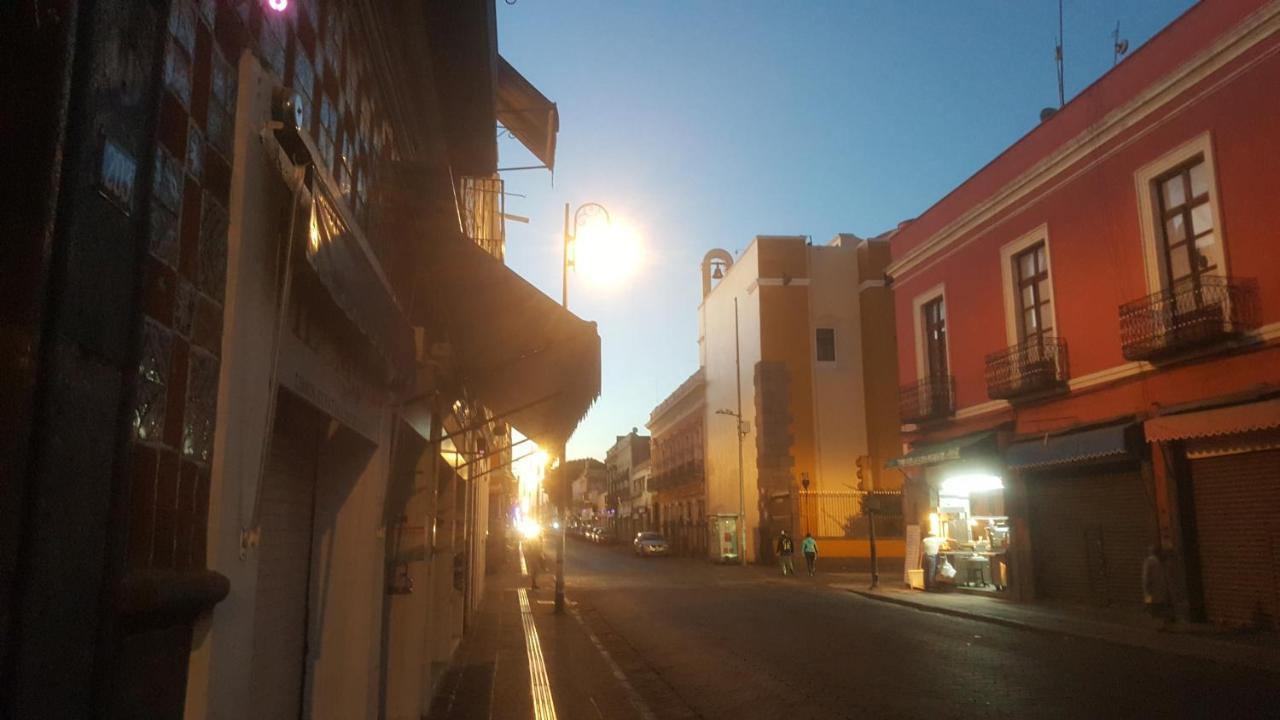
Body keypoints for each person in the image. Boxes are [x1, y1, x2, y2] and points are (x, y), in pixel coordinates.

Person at [1142, 544, 1173, 630]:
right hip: (1162, 588)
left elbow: (1146, 577)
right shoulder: (1163, 561)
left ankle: (1157, 624)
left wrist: (1146, 589)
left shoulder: (1149, 561)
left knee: (1151, 605)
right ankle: (1164, 624)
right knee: (1162, 606)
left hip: (1151, 589)